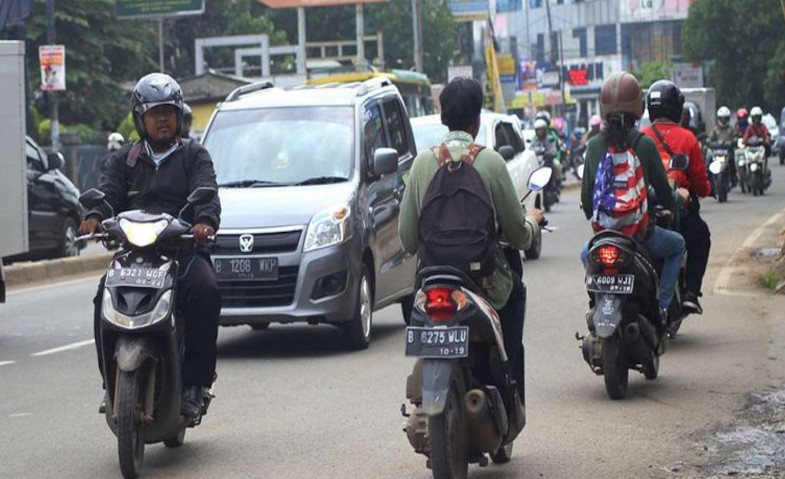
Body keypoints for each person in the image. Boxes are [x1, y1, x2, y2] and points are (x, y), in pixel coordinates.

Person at [79, 73, 222, 420]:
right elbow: (107, 191)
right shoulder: (125, 159)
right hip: (134, 255)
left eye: (168, 112)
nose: (162, 119)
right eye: (154, 113)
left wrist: (205, 221)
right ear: (140, 118)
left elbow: (208, 194)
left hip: (182, 251)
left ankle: (194, 385)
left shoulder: (194, 154)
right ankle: (110, 384)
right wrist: (95, 215)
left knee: (206, 291)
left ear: (178, 116)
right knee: (103, 297)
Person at [399, 77, 544, 405]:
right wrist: (532, 226)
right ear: (477, 119)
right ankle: (510, 399)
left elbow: (407, 240)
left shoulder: (422, 164)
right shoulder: (490, 162)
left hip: (432, 281)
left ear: (442, 116)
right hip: (485, 285)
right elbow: (517, 234)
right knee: (516, 294)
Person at [580, 72, 686, 322]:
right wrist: (678, 199)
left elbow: (587, 201)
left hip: (605, 239)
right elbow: (666, 196)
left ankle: (596, 302)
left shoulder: (594, 146)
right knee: (678, 245)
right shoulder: (645, 144)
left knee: (586, 254)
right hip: (641, 237)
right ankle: (662, 307)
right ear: (639, 107)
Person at [641, 80, 712, 315]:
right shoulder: (688, 138)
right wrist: (704, 190)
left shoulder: (641, 137)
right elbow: (701, 184)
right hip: (678, 208)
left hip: (644, 211)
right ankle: (691, 293)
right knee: (701, 237)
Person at [708, 106, 738, 186]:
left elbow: (735, 137)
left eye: (725, 118)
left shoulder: (731, 129)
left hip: (727, 151)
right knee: (709, 161)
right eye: (722, 118)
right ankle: (709, 180)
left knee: (732, 161)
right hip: (717, 151)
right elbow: (710, 139)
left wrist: (733, 142)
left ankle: (733, 177)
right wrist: (709, 142)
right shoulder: (715, 129)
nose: (723, 121)